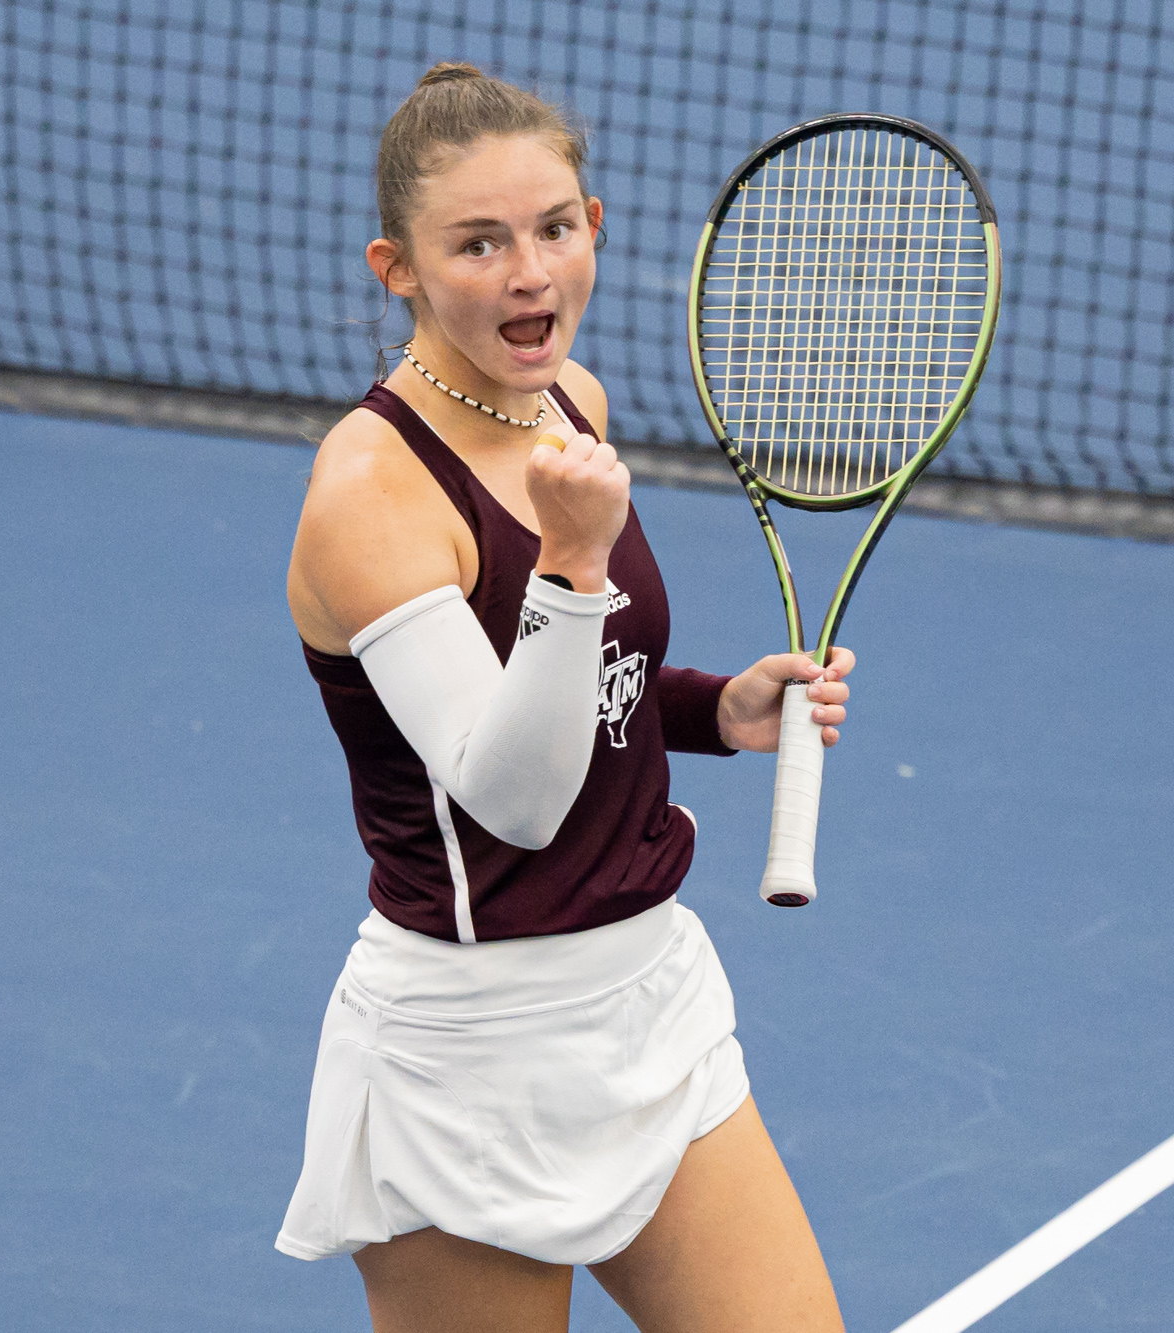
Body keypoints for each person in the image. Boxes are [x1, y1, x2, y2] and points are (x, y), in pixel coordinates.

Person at [275, 62, 849, 1332]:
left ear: (594, 227)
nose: (529, 272)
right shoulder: (370, 496)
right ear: (398, 270)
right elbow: (511, 797)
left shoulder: (565, 404)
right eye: (476, 243)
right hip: (470, 1051)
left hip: (647, 1009)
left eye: (552, 227)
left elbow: (592, 684)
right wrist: (571, 557)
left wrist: (712, 711)